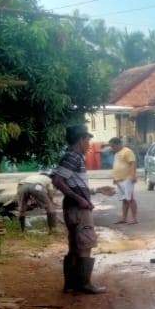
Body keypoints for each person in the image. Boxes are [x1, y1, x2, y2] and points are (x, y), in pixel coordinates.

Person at [50, 125, 105, 295]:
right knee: (85, 244)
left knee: (74, 246)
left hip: (72, 207)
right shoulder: (73, 157)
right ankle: (84, 284)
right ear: (81, 139)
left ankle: (70, 284)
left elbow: (69, 181)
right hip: (78, 209)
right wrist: (81, 199)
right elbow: (58, 181)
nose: (89, 143)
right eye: (88, 139)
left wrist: (93, 192)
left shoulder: (71, 157)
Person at [109, 137, 138, 225]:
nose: (112, 148)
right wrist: (115, 178)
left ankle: (134, 218)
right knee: (124, 199)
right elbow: (116, 165)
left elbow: (132, 163)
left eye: (113, 146)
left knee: (130, 199)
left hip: (127, 179)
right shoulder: (117, 153)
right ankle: (124, 218)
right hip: (119, 180)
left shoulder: (127, 151)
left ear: (118, 144)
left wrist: (133, 176)